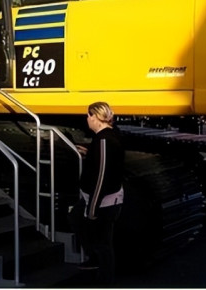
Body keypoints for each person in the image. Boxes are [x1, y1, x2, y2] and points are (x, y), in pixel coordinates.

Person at [69, 101, 125, 286]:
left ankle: (104, 281)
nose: (87, 119)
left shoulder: (103, 141)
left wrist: (93, 208)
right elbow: (105, 161)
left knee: (103, 244)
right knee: (77, 219)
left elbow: (102, 176)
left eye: (88, 115)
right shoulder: (109, 136)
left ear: (95, 117)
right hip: (103, 199)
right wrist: (90, 154)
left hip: (103, 202)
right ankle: (94, 261)